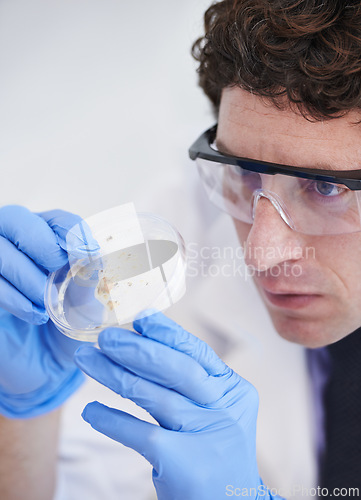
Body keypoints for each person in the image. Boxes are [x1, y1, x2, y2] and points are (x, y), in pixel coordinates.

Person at [1, 0, 361, 498]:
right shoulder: (175, 240)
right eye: (244, 171)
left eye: (326, 188)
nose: (259, 253)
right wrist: (20, 413)